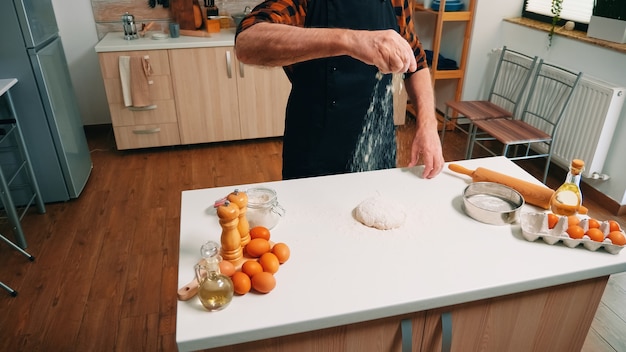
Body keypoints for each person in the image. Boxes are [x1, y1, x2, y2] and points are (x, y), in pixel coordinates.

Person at [234, 0, 444, 180]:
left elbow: (415, 58)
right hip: (315, 152)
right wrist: (350, 40)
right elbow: (247, 42)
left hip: (378, 142)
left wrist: (427, 124)